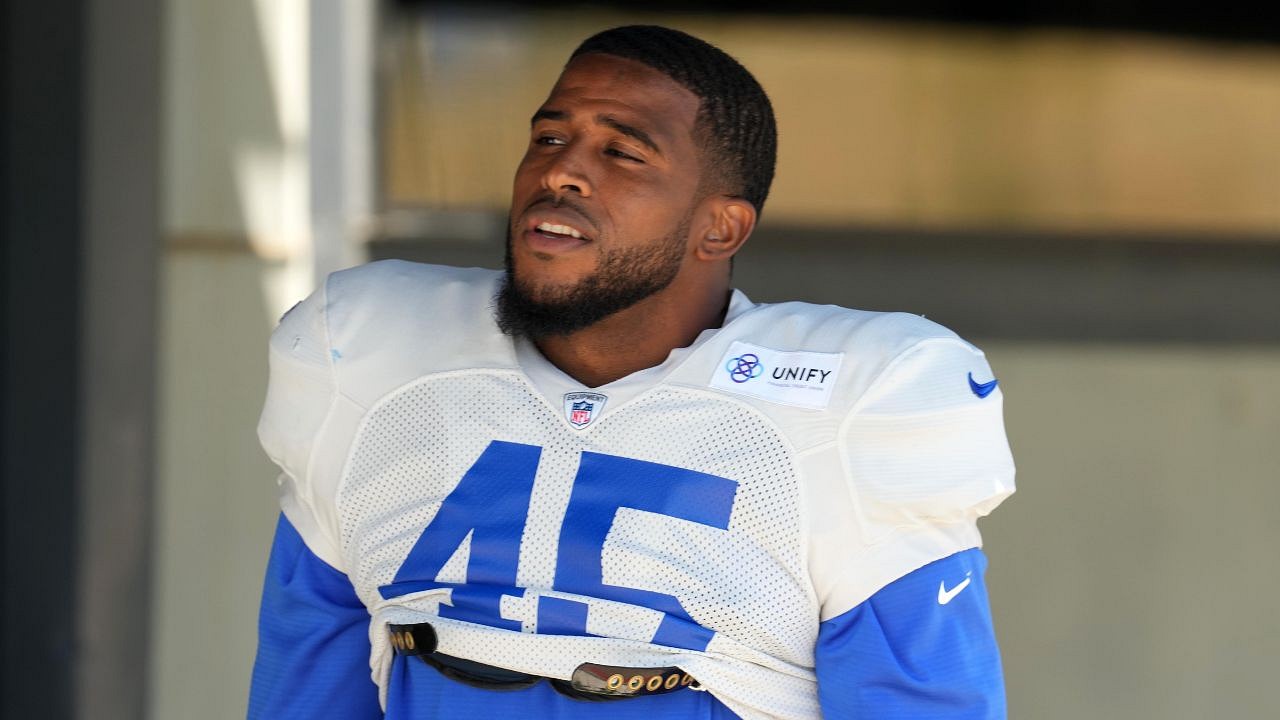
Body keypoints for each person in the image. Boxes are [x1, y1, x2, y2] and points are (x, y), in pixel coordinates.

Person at [248, 25, 1015, 720]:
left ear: (720, 227)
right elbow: (306, 675)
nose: (564, 173)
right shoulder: (368, 358)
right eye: (549, 138)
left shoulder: (856, 411)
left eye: (622, 152)